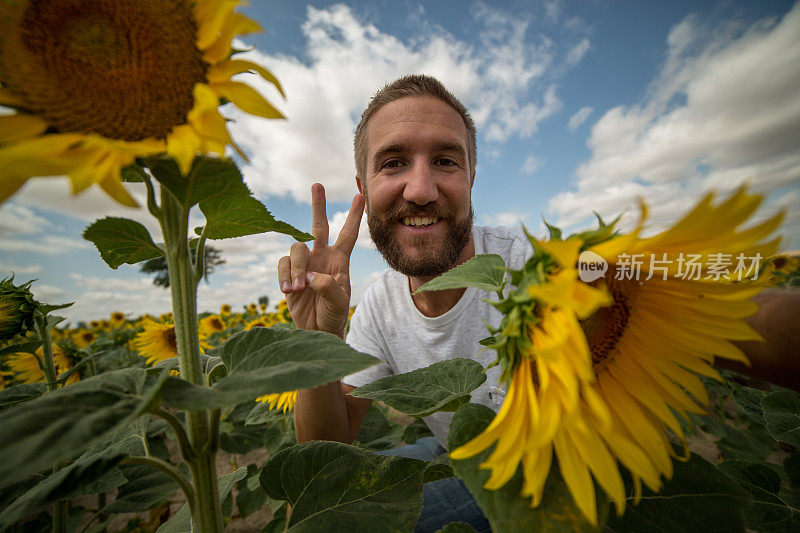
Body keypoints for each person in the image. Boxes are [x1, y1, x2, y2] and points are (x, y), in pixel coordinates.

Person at [277, 74, 800, 532]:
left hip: (556, 466)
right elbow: (329, 447)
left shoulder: (538, 264)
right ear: (363, 187)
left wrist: (634, 295)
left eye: (445, 160)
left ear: (471, 177)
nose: (420, 188)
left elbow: (686, 298)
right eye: (393, 163)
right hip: (466, 451)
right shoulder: (376, 308)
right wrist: (317, 342)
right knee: (332, 508)